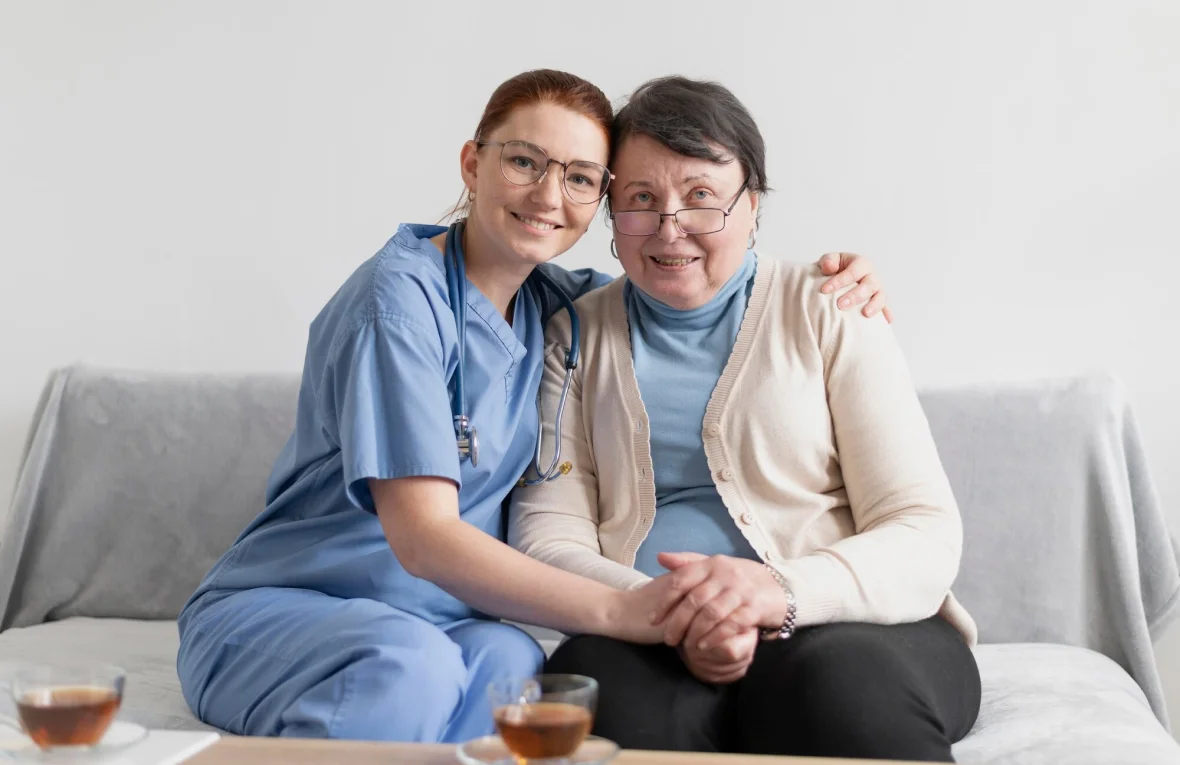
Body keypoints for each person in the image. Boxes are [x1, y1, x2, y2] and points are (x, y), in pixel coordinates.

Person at [176, 69, 891, 743]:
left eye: (580, 177)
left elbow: (686, 284)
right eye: (524, 162)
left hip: (444, 619)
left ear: (602, 202)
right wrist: (625, 609)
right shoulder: (398, 302)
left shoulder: (559, 309)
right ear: (472, 164)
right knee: (410, 670)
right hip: (296, 608)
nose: (549, 195)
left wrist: (832, 280)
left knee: (514, 661)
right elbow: (423, 539)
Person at [509, 75, 981, 763]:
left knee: (832, 687)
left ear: (752, 204)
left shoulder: (832, 308)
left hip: (849, 629)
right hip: (645, 628)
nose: (671, 227)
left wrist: (774, 593)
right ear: (613, 217)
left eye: (702, 197)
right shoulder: (572, 338)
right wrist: (673, 610)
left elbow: (924, 530)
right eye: (641, 200)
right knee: (596, 692)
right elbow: (546, 535)